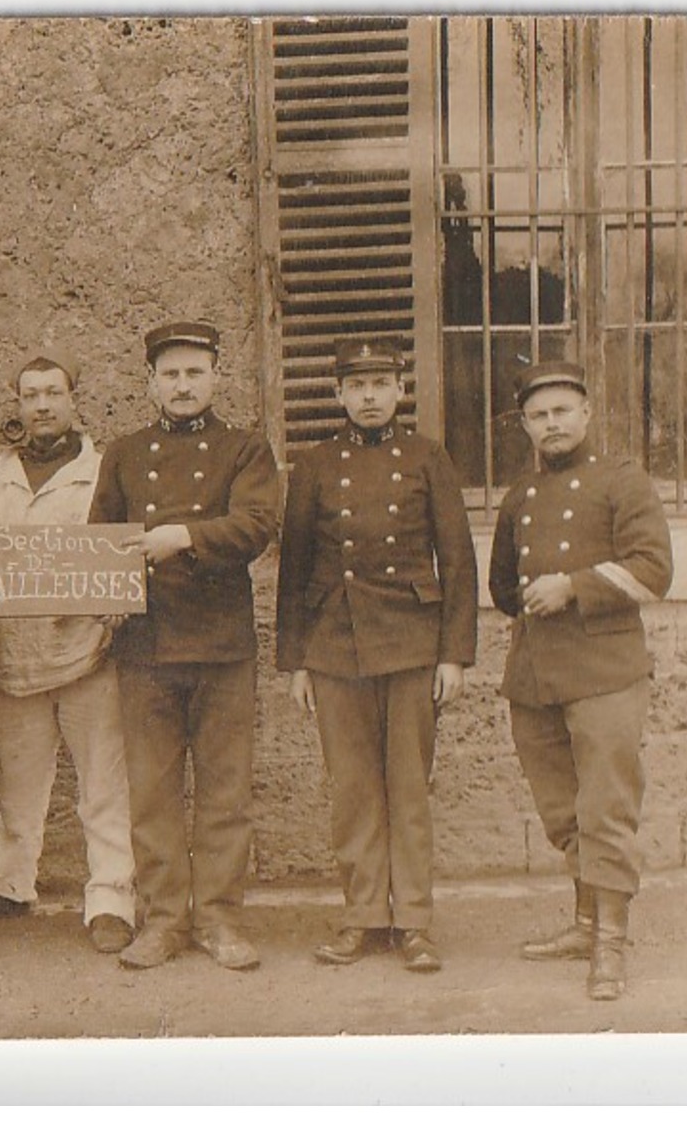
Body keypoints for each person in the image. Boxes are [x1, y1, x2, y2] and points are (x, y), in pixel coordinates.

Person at [274, 339, 477, 973]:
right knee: (354, 790)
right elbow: (295, 567)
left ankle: (414, 921)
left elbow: (459, 559)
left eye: (380, 384)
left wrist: (454, 656)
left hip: (413, 642)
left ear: (399, 391)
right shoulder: (314, 465)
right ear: (338, 394)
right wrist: (297, 661)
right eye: (356, 385)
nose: (368, 397)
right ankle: (363, 914)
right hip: (336, 645)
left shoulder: (427, 458)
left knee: (408, 787)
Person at [88, 321, 280, 971]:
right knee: (153, 794)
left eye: (195, 372)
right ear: (150, 384)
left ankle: (220, 919)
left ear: (216, 377)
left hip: (222, 647)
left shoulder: (245, 450)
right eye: (170, 374)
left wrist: (183, 537)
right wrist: (106, 593)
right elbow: (101, 540)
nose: (183, 385)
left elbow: (256, 524)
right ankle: (165, 919)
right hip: (144, 649)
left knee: (226, 794)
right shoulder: (122, 453)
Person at [488, 360, 673, 1001]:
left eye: (562, 411)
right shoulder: (519, 496)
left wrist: (572, 587)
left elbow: (653, 571)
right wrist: (531, 597)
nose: (551, 424)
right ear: (525, 426)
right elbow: (501, 587)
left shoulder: (623, 481)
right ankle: (584, 923)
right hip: (536, 677)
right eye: (538, 416)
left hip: (605, 675)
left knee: (606, 811)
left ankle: (611, 947)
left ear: (587, 413)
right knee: (562, 812)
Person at [0, 351, 138, 954]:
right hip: (14, 654)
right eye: (30, 395)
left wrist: (118, 596)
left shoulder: (101, 471)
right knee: (20, 779)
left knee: (101, 781)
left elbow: (121, 551)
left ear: (73, 401)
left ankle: (112, 897)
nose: (41, 405)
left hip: (88, 651)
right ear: (18, 406)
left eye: (53, 394)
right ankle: (11, 883)